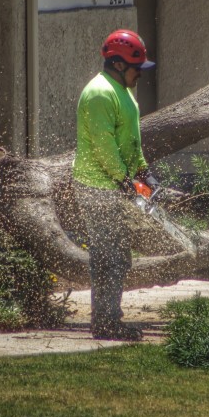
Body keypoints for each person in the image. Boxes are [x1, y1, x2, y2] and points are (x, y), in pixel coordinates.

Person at [72, 29, 159, 341]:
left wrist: (144, 172)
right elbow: (103, 145)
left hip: (112, 184)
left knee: (119, 256)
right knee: (108, 257)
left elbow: (130, 140)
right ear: (120, 65)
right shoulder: (99, 94)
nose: (141, 74)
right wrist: (124, 180)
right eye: (138, 68)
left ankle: (110, 318)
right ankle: (106, 323)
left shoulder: (123, 91)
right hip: (97, 187)